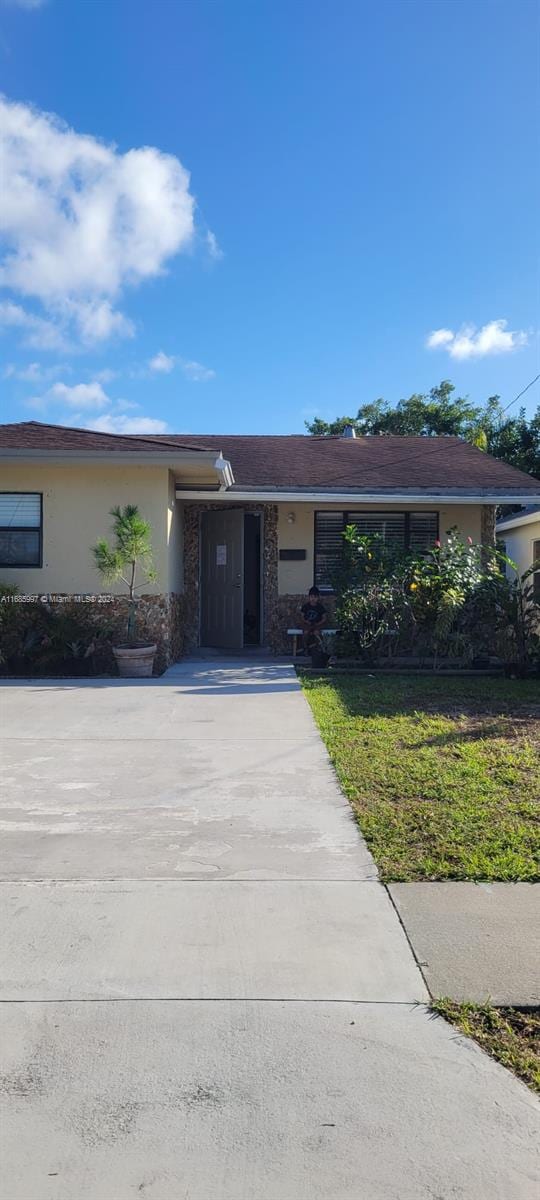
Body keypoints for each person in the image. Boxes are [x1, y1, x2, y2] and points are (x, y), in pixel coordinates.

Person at [300, 586, 327, 654]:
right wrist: (306, 621)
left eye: (315, 597)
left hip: (318, 624)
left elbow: (324, 618)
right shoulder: (305, 606)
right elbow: (302, 617)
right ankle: (305, 648)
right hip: (307, 623)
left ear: (318, 598)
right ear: (309, 597)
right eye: (311, 597)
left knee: (317, 633)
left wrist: (318, 623)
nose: (313, 599)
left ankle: (317, 649)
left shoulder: (320, 607)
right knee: (305, 632)